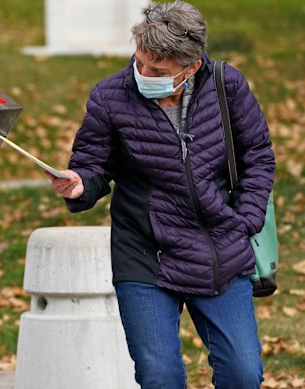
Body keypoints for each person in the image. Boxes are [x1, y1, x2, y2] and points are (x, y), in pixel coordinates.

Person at [46, 1, 275, 388]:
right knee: (160, 377)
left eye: (158, 71)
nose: (143, 74)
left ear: (192, 68)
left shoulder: (227, 85)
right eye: (139, 62)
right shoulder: (109, 97)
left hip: (219, 250)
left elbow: (258, 156)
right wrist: (81, 185)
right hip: (145, 256)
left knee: (242, 373)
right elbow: (93, 164)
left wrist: (247, 220)